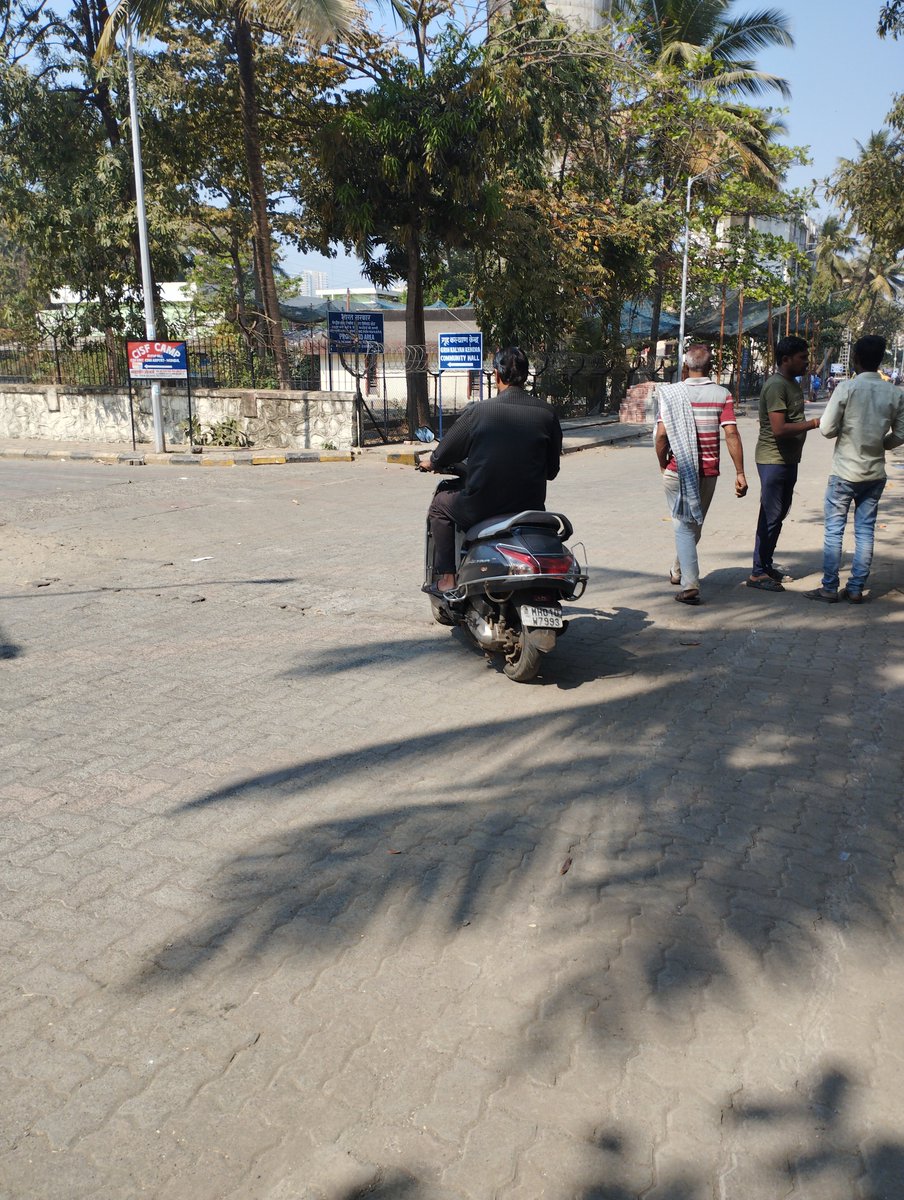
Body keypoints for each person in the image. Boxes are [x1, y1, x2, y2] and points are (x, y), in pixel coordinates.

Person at [417, 347, 562, 595]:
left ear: (496, 375)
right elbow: (551, 471)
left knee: (440, 506)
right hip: (530, 508)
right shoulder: (547, 414)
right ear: (526, 376)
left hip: (481, 507)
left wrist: (432, 461)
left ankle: (448, 579)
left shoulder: (480, 411)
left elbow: (444, 452)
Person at [804, 335, 904, 604]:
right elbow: (901, 433)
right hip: (874, 473)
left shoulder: (846, 389)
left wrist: (842, 431)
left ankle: (829, 587)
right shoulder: (895, 392)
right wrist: (881, 444)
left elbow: (826, 429)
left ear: (856, 359)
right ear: (880, 360)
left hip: (844, 473)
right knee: (865, 531)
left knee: (834, 530)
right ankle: (857, 588)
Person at [654, 344, 748, 606]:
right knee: (690, 524)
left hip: (678, 469)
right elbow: (731, 433)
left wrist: (663, 463)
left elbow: (661, 436)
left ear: (686, 366)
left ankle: (689, 584)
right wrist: (740, 472)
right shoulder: (722, 394)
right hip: (708, 471)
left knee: (685, 524)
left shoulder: (672, 394)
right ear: (710, 367)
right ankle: (681, 573)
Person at [747, 335, 821, 592]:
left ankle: (765, 565)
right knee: (770, 515)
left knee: (778, 515)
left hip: (788, 460)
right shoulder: (777, 386)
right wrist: (813, 423)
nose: (807, 362)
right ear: (786, 359)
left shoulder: (792, 384)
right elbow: (779, 429)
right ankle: (757, 573)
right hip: (773, 460)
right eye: (802, 358)